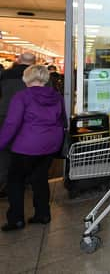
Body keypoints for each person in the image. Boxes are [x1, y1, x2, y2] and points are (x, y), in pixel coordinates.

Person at [0, 65, 65, 231]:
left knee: (15, 181)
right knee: (40, 179)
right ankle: (43, 214)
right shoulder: (57, 97)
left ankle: (16, 219)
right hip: (49, 145)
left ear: (27, 78)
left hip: (26, 146)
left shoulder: (22, 97)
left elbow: (11, 124)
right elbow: (62, 121)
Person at [0, 53, 35, 199]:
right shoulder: (37, 76)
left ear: (18, 60)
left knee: (4, 153)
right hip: (28, 118)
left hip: (4, 115)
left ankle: (4, 183)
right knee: (25, 151)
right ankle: (23, 181)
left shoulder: (5, 75)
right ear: (34, 62)